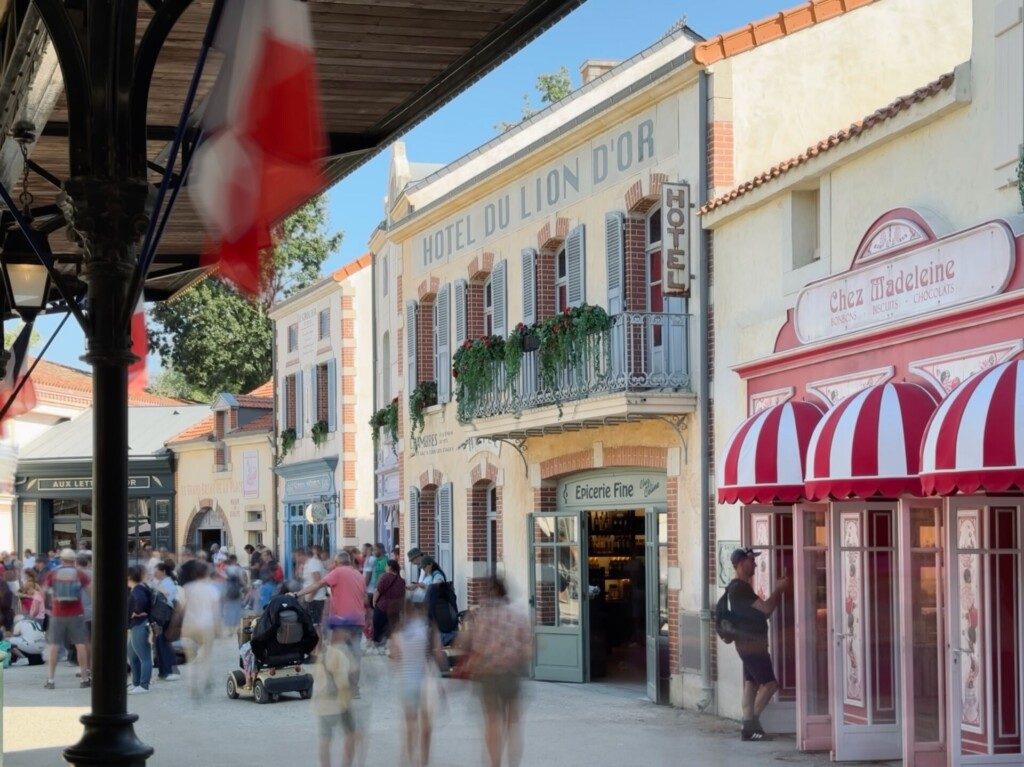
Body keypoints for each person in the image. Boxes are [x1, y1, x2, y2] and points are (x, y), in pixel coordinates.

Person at [457, 577, 531, 767]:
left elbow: (466, 645)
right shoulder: (517, 616)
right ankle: (513, 763)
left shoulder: (481, 617)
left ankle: (494, 764)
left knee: (491, 723)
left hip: (488, 674)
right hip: (511, 674)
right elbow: (529, 650)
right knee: (512, 724)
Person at [726, 547, 790, 741]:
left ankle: (749, 728)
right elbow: (766, 610)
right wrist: (779, 589)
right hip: (752, 645)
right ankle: (750, 726)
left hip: (747, 643)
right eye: (751, 560)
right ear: (740, 563)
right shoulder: (740, 588)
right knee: (770, 685)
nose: (754, 563)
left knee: (751, 685)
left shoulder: (738, 587)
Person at [293, 550, 365, 690]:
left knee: (337, 653)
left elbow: (317, 584)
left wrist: (297, 594)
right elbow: (364, 598)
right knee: (355, 655)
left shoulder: (338, 572)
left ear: (338, 563)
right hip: (358, 620)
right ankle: (354, 688)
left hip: (342, 621)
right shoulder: (358, 575)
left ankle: (336, 687)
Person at [391, 602, 444, 767]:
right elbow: (440, 656)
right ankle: (423, 762)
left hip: (407, 682)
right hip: (425, 682)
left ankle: (409, 757)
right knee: (426, 727)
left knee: (410, 725)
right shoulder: (428, 628)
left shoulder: (398, 631)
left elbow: (395, 658)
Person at [41, 548, 91, 689]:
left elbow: (44, 591)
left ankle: (50, 680)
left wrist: (49, 605)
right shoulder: (79, 574)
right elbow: (91, 592)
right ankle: (84, 678)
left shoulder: (53, 573)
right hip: (76, 613)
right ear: (74, 560)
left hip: (57, 613)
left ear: (61, 559)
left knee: (54, 646)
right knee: (80, 644)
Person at [311, 625, 359, 767]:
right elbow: (348, 678)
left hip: (321, 703)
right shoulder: (341, 652)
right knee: (351, 735)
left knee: (325, 740)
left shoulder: (321, 652)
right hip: (339, 703)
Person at [180, 561, 221, 698]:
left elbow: (181, 608)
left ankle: (192, 686)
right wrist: (218, 628)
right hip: (206, 625)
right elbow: (216, 612)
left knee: (191, 659)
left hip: (189, 625)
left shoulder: (187, 588)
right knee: (205, 657)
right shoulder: (212, 589)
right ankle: (205, 682)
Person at [126, 565, 153, 694]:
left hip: (140, 624)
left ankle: (143, 685)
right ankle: (137, 683)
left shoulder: (137, 591)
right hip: (137, 625)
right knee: (132, 655)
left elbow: (140, 605)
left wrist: (135, 613)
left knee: (144, 656)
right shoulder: (140, 588)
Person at [153, 562, 181, 681]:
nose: (155, 573)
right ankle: (164, 670)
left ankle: (169, 670)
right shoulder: (164, 582)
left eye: (156, 571)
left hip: (164, 617)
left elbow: (169, 600)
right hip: (163, 617)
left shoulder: (167, 583)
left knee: (163, 643)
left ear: (163, 571)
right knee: (161, 643)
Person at [373, 559, 405, 651]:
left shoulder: (385, 576)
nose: (385, 568)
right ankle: (390, 649)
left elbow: (378, 591)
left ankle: (377, 650)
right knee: (391, 631)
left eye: (386, 566)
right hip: (395, 609)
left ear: (390, 567)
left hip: (382, 607)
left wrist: (374, 603)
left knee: (378, 630)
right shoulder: (401, 581)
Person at [297, 547, 327, 628]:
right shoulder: (307, 564)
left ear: (301, 555)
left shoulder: (313, 563)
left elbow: (318, 581)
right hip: (311, 598)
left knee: (316, 626)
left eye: (297, 557)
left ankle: (319, 641)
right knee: (311, 625)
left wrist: (311, 597)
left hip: (316, 599)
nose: (297, 560)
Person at [222, 554, 246, 634]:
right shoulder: (238, 569)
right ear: (235, 560)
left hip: (228, 591)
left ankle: (230, 630)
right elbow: (242, 580)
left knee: (229, 610)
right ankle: (236, 629)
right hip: (237, 591)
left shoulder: (226, 569)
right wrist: (245, 586)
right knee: (237, 609)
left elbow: (224, 582)